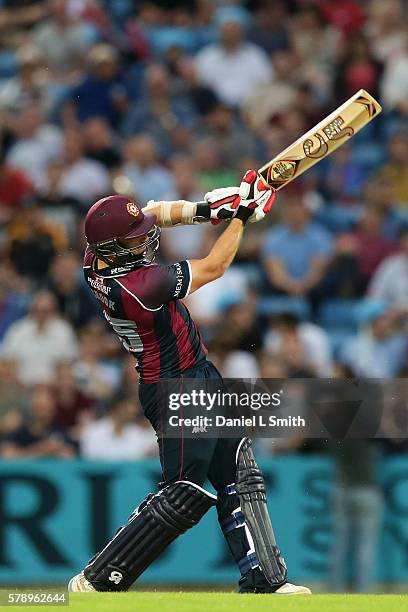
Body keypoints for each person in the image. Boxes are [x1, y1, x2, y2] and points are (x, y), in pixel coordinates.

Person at [68, 171, 310, 594]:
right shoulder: (138, 286)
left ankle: (265, 581)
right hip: (177, 386)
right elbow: (215, 267)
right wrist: (241, 217)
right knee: (183, 493)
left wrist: (210, 209)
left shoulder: (96, 258)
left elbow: (155, 214)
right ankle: (98, 580)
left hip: (198, 373)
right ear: (112, 247)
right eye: (134, 240)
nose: (145, 240)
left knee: (240, 472)